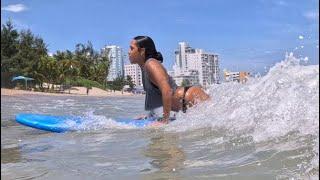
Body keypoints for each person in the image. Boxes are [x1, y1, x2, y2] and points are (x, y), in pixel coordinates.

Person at [128, 36, 210, 124]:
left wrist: (165, 120)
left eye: (132, 48)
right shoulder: (144, 68)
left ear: (142, 51)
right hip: (185, 103)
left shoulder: (151, 64)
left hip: (190, 97)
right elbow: (155, 96)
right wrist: (150, 116)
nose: (129, 52)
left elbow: (167, 90)